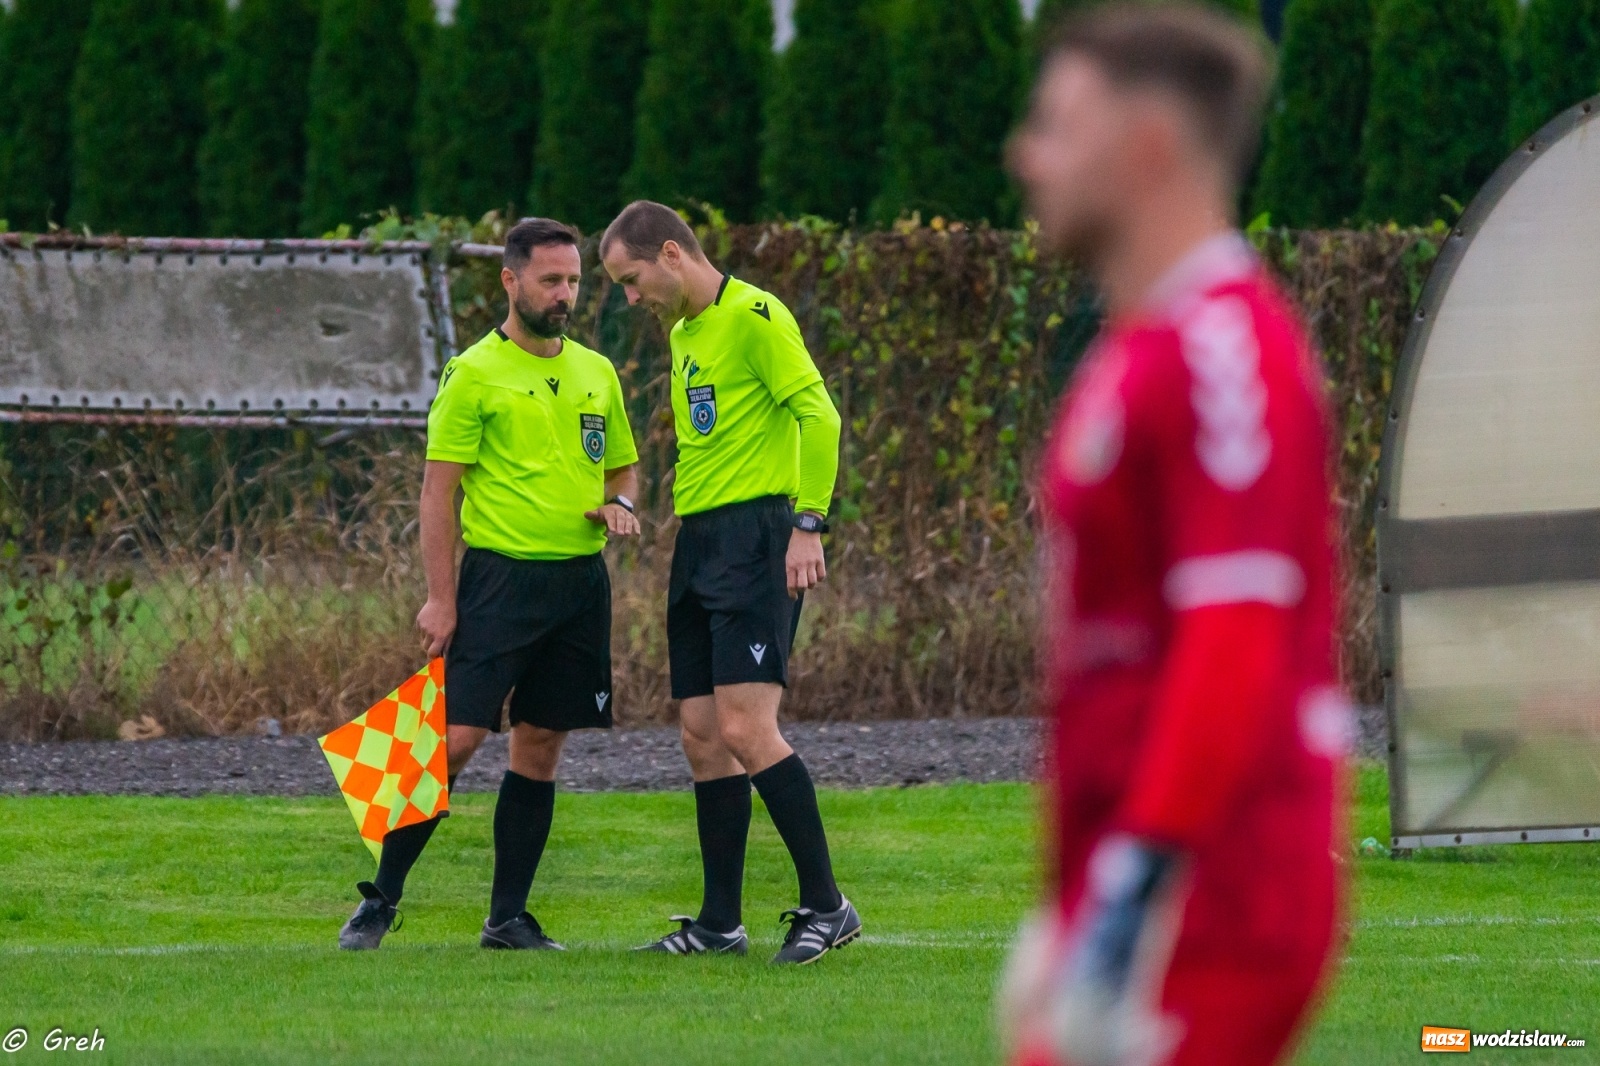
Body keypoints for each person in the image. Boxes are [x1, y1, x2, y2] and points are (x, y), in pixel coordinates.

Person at [999, 5, 1348, 1064]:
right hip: (1130, 881)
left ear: (1146, 147)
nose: (1024, 154)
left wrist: (1132, 885)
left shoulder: (1222, 350)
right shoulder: (1135, 350)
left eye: (1058, 124)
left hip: (1210, 894)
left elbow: (1234, 634)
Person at [339, 217, 642, 951]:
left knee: (539, 745)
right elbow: (437, 494)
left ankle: (507, 919)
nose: (565, 294)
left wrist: (623, 504)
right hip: (497, 584)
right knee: (455, 739)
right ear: (510, 281)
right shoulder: (473, 371)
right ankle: (380, 899)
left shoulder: (596, 372)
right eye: (550, 280)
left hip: (577, 587)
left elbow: (624, 467)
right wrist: (441, 597)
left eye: (573, 280)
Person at [599, 201, 859, 964]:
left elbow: (821, 417)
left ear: (672, 255)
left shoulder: (756, 316)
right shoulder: (684, 335)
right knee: (703, 736)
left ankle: (828, 904)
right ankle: (719, 925)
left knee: (748, 729)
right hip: (700, 543)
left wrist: (807, 523)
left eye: (631, 279)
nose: (629, 297)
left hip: (757, 539)